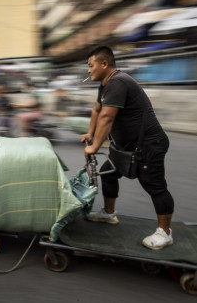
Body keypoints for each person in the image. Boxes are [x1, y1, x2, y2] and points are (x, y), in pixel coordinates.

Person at [81, 46, 174, 250]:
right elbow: (98, 110)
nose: (88, 70)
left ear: (104, 64)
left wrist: (94, 146)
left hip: (149, 145)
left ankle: (165, 233)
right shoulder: (105, 84)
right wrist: (90, 133)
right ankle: (109, 213)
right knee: (108, 172)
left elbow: (107, 116)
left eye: (91, 65)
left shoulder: (118, 82)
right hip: (126, 147)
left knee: (155, 187)